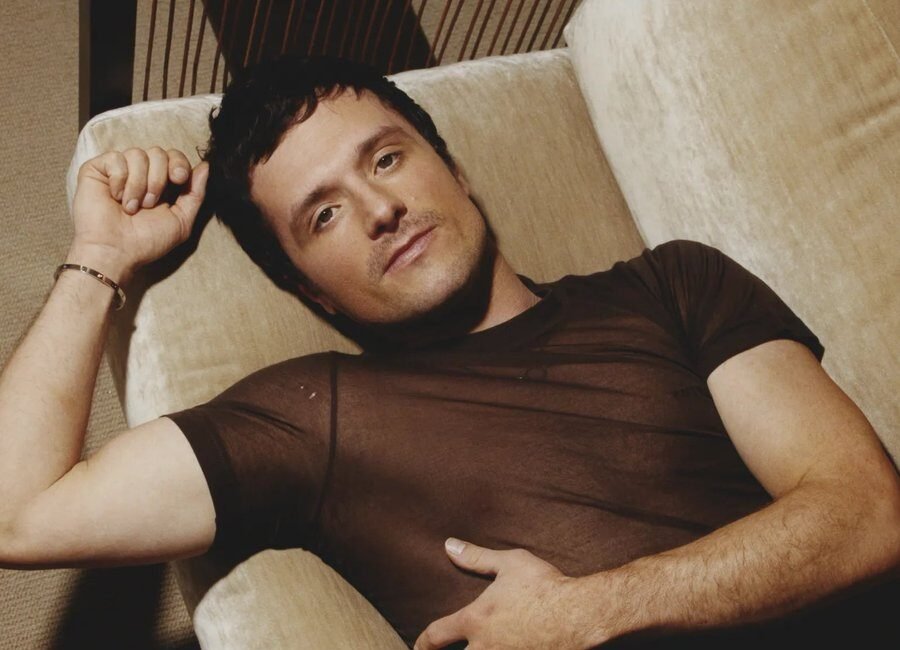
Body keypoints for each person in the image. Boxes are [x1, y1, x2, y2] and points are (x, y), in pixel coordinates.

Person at [0, 55, 898, 649]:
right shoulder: (317, 418)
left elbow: (866, 512)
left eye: (386, 160)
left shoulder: (673, 284)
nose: (379, 209)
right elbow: (19, 515)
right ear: (312, 291)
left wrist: (595, 609)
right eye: (324, 214)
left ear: (453, 167)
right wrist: (101, 257)